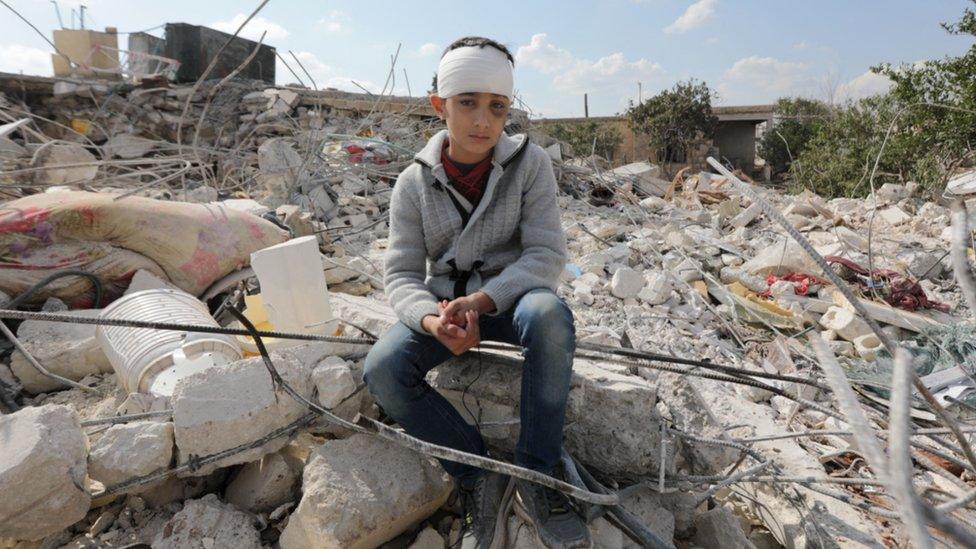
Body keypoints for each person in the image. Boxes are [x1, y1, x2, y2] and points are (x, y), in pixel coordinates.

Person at [363, 36, 590, 549]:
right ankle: (477, 474)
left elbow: (546, 255)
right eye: (467, 103)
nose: (483, 121)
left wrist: (483, 302)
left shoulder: (531, 166)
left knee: (551, 317)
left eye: (497, 106)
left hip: (510, 304)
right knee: (383, 369)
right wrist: (431, 321)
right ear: (439, 105)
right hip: (444, 311)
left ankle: (539, 475)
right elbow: (399, 274)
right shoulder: (411, 184)